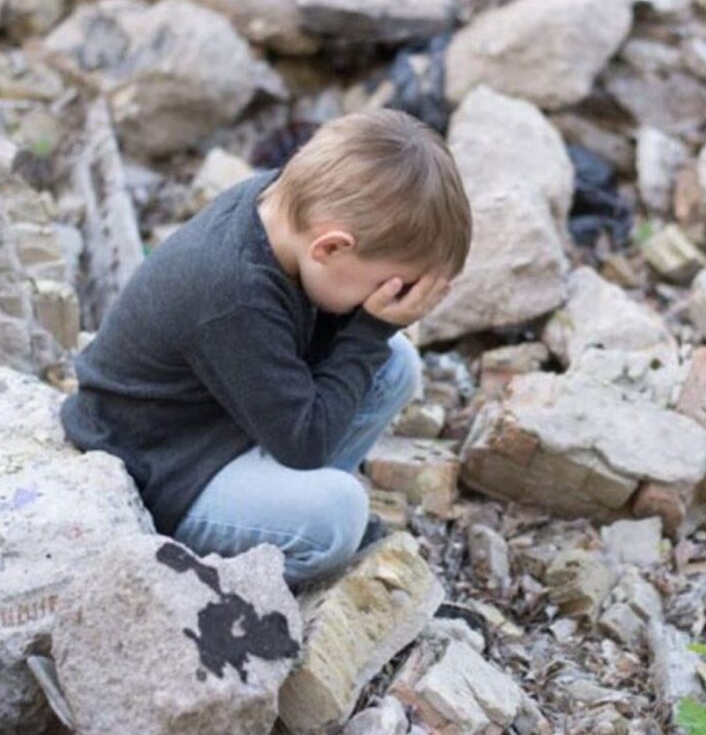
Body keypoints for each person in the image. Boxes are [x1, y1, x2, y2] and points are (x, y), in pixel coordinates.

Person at [60, 108, 473, 586]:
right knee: (336, 516)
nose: (386, 300)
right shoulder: (231, 291)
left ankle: (281, 502)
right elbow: (306, 443)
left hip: (217, 423)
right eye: (385, 286)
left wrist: (373, 327)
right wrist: (369, 329)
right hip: (158, 469)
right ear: (331, 248)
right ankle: (233, 570)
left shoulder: (284, 208)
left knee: (395, 364)